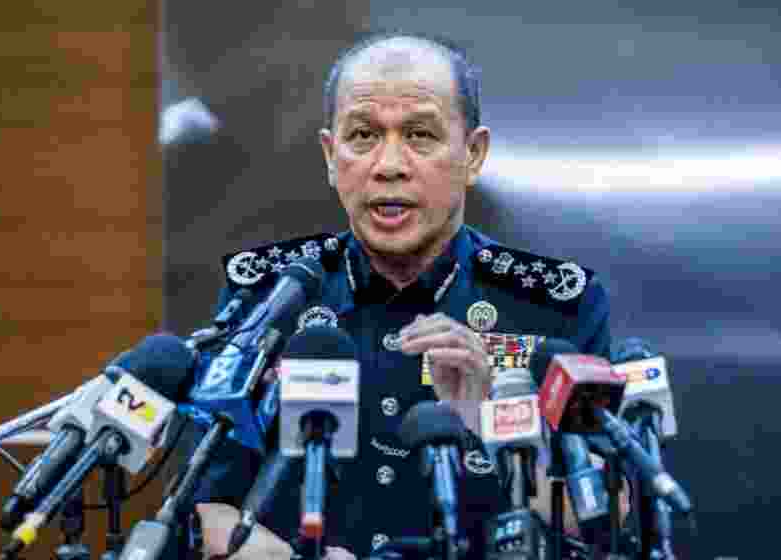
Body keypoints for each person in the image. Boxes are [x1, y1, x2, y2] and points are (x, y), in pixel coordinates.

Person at [188, 30, 611, 560]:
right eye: (363, 136)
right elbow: (204, 508)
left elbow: (608, 520)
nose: (389, 164)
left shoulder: (555, 307)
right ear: (329, 154)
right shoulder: (270, 296)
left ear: (474, 154)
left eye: (420, 135)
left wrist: (494, 428)